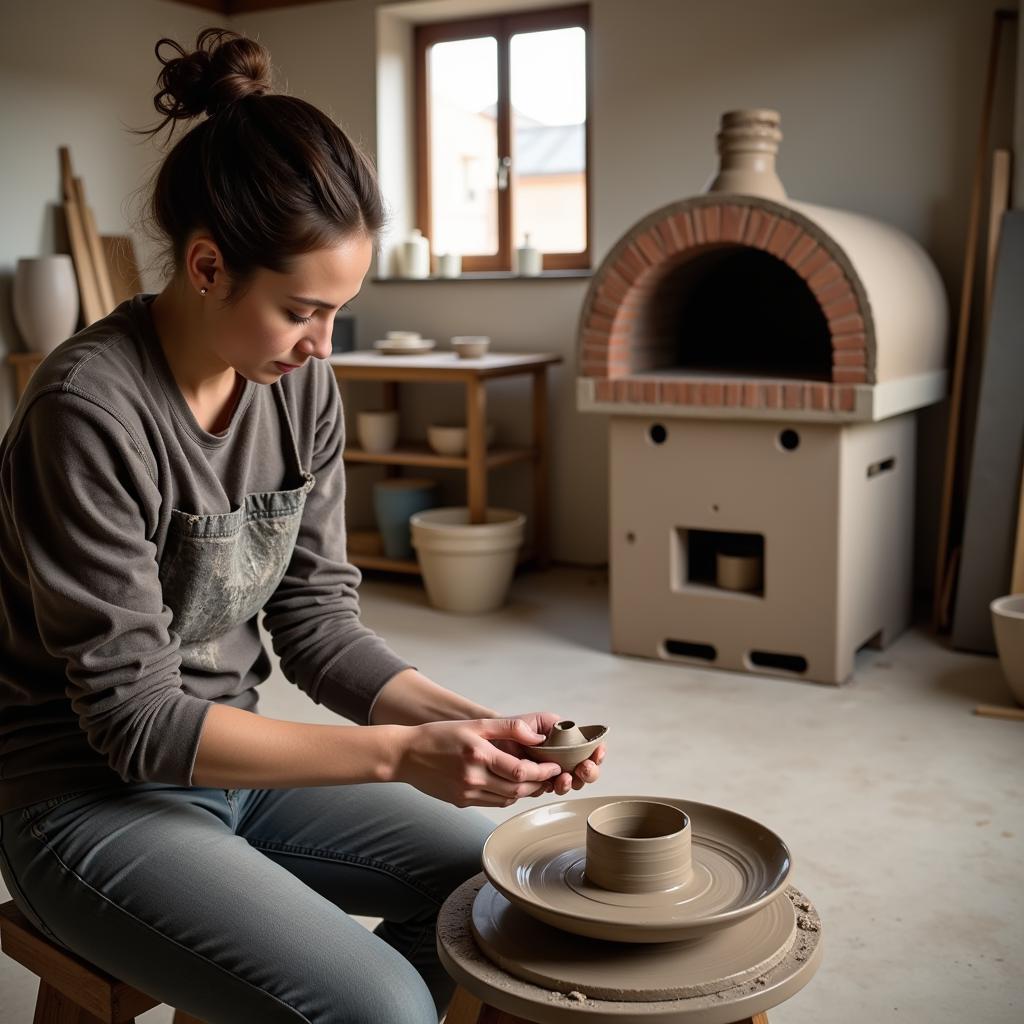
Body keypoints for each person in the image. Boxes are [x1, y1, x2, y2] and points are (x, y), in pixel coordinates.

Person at [0, 28, 604, 1024]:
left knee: (506, 897)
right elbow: (136, 723)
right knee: (381, 1009)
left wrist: (475, 728)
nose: (324, 345)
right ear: (205, 266)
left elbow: (317, 622)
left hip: (235, 765)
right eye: (302, 311)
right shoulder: (87, 413)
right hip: (80, 798)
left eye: (338, 311)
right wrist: (399, 755)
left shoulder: (298, 387)